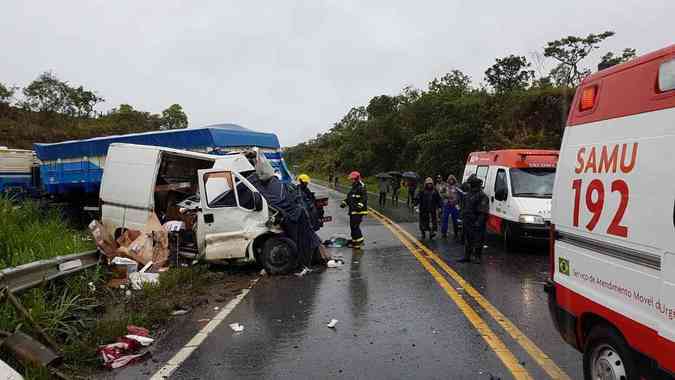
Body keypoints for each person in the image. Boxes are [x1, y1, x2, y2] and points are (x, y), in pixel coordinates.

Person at [458, 175, 489, 263]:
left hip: (476, 221)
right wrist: (462, 215)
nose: (469, 186)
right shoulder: (468, 194)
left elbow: (483, 211)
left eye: (471, 184)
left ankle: (477, 257)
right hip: (467, 221)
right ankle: (467, 256)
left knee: (478, 240)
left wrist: (479, 222)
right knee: (468, 239)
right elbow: (465, 206)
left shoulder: (482, 195)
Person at [340, 171, 368, 249]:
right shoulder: (354, 187)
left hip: (359, 211)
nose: (351, 180)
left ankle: (359, 243)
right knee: (352, 227)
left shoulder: (361, 187)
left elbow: (364, 198)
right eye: (351, 179)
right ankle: (355, 242)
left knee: (355, 226)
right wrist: (344, 203)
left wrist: (360, 206)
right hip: (353, 211)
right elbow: (350, 197)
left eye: (352, 179)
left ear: (356, 179)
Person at [440, 175, 461, 241]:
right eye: (450, 179)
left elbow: (461, 194)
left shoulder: (457, 186)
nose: (451, 181)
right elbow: (440, 193)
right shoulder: (445, 186)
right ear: (448, 180)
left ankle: (456, 232)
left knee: (455, 220)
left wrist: (457, 200)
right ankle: (444, 233)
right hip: (447, 204)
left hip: (454, 205)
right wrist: (445, 196)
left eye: (452, 179)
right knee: (445, 219)